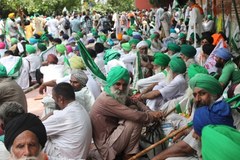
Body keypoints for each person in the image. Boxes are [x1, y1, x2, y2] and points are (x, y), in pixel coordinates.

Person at [90, 66, 164, 160]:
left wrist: (149, 111)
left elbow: (135, 101)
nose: (121, 88)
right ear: (111, 83)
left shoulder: (115, 93)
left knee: (133, 107)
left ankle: (129, 152)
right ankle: (129, 155)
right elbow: (135, 116)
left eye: (124, 85)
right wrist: (152, 117)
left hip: (114, 137)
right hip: (106, 147)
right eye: (118, 84)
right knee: (135, 120)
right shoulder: (106, 99)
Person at [152, 73, 228, 160]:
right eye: (195, 95)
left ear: (214, 93)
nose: (197, 99)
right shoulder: (207, 108)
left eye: (202, 93)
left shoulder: (219, 113)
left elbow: (186, 148)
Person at [42, 82, 92, 159]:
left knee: (32, 139)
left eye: (54, 99)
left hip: (64, 157)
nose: (55, 102)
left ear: (60, 99)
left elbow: (37, 129)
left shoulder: (64, 115)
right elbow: (55, 113)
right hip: (79, 156)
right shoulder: (79, 108)